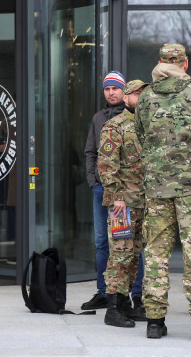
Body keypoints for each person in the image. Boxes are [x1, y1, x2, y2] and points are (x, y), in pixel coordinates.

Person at [134, 44, 191, 342]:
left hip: (157, 188)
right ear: (184, 64)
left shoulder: (146, 95)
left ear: (160, 62)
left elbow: (140, 133)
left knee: (156, 255)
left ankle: (154, 322)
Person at [98, 80, 149, 327]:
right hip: (122, 205)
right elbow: (107, 165)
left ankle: (126, 302)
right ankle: (113, 308)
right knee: (120, 254)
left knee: (134, 254)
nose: (140, 97)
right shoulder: (115, 126)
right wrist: (116, 195)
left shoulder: (147, 125)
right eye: (136, 94)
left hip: (142, 203)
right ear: (126, 98)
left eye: (143, 93)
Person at [83, 71, 127, 310]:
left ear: (123, 90)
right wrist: (93, 181)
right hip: (101, 190)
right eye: (107, 89)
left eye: (115, 88)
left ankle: (128, 294)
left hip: (124, 192)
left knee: (126, 242)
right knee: (102, 243)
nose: (111, 93)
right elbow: (90, 151)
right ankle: (103, 291)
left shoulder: (132, 116)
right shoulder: (98, 118)